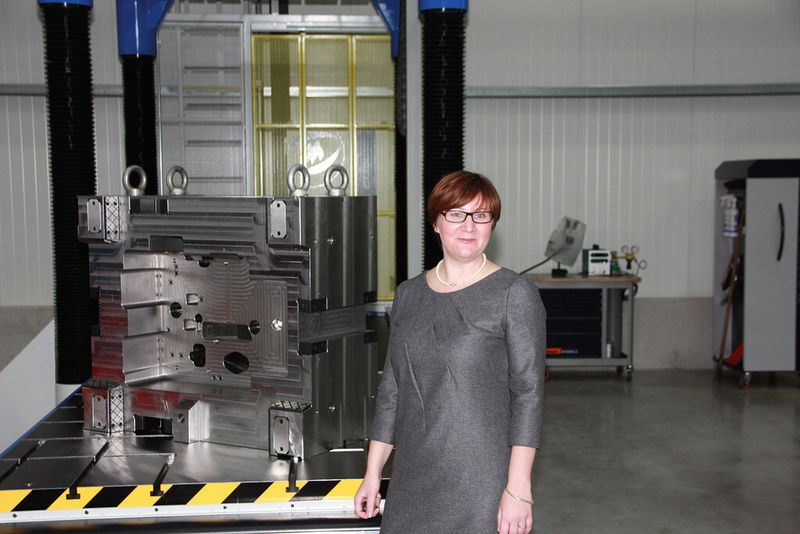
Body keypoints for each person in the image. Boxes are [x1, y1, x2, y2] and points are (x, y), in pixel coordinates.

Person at [354, 170, 546, 534]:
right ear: (436, 222)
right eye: (456, 214)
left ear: (492, 224)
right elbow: (393, 389)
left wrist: (519, 488)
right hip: (412, 473)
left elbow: (529, 394)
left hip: (480, 480)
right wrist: (373, 473)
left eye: (481, 215)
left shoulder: (513, 294)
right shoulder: (409, 295)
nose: (469, 225)